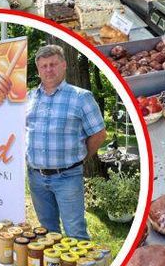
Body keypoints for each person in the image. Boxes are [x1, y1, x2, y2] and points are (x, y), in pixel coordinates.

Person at [26, 44, 107, 240]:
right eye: (43, 66)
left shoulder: (81, 97)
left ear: (64, 65)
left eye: (53, 64)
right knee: (47, 231)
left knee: (75, 232)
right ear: (38, 70)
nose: (48, 69)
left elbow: (99, 133)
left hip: (67, 176)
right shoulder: (28, 98)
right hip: (36, 176)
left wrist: (82, 157)